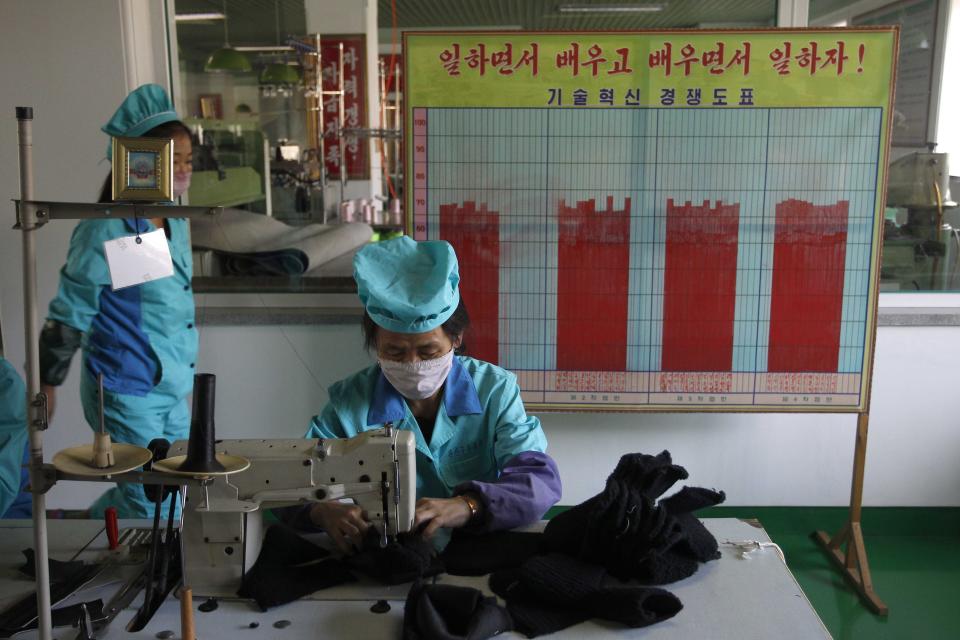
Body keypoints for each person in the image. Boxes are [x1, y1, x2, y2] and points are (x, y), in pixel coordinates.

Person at [291, 236, 561, 552]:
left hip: (478, 554)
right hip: (389, 558)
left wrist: (467, 505)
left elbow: (539, 484)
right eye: (394, 351)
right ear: (375, 343)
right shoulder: (348, 403)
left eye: (428, 351)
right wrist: (322, 510)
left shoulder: (494, 390)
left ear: (456, 338)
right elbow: (290, 482)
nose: (412, 364)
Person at [38, 84, 196, 518]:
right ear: (142, 159)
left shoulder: (176, 219)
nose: (183, 170)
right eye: (174, 159)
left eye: (188, 161)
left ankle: (93, 528)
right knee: (151, 502)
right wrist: (48, 383)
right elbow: (70, 311)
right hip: (126, 387)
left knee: (185, 485)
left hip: (171, 383)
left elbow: (164, 305)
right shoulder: (104, 228)